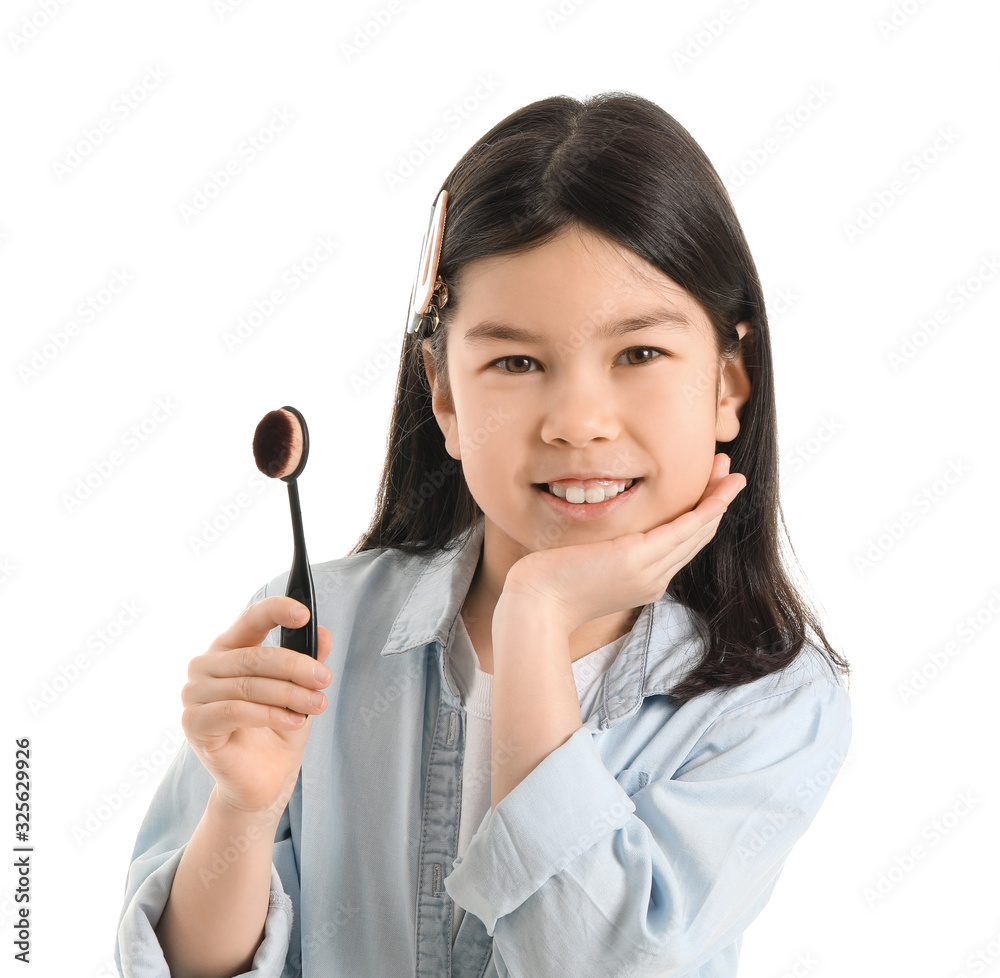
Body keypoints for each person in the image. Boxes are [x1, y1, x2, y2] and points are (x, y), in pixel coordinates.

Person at [114, 91, 852, 978]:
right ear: (447, 397)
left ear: (729, 382)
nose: (579, 421)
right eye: (515, 362)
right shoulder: (317, 626)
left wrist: (534, 621)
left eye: (639, 354)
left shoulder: (770, 700)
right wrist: (240, 807)